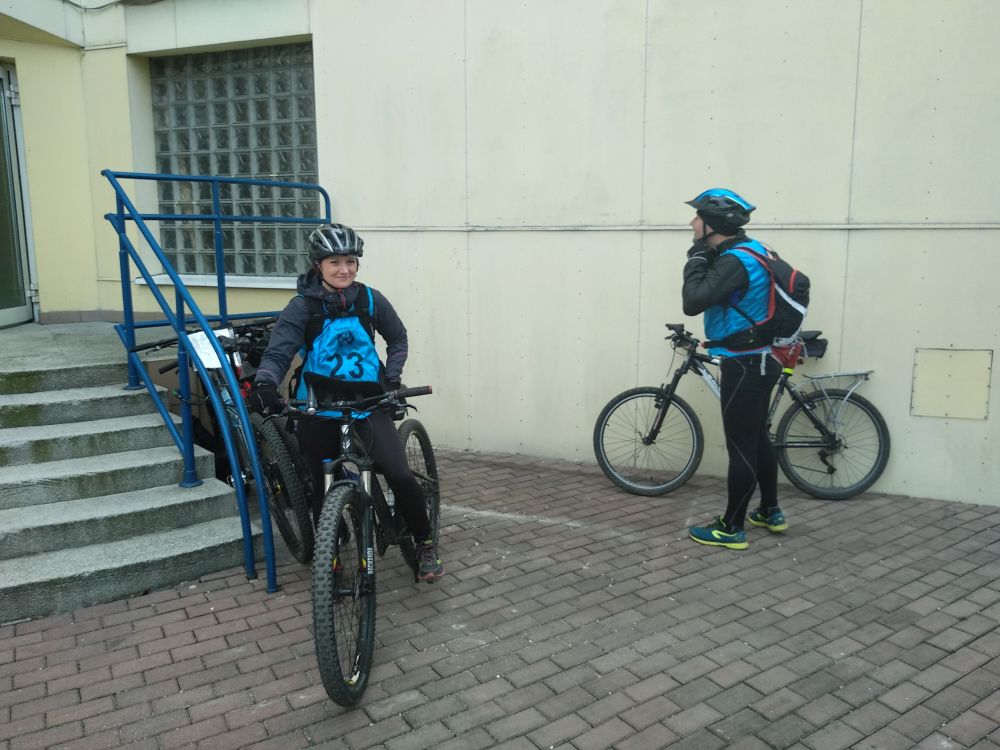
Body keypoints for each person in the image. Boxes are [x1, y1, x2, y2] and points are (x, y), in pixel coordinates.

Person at [248, 223, 443, 581]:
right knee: (322, 483)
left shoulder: (370, 299)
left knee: (398, 473)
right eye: (334, 262)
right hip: (318, 406)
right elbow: (278, 353)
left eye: (350, 261)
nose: (344, 269)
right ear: (318, 265)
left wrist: (392, 378)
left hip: (369, 401)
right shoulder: (301, 307)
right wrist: (265, 382)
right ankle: (331, 552)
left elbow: (398, 338)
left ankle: (425, 540)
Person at [681, 188, 789, 550]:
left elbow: (693, 302)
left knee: (741, 446)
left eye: (698, 217)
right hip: (763, 359)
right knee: (757, 439)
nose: (692, 223)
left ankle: (731, 527)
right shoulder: (756, 250)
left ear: (712, 224)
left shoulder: (733, 261)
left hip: (744, 364)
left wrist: (697, 259)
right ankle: (770, 511)